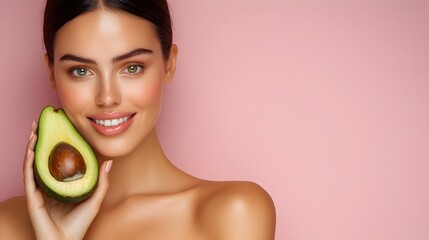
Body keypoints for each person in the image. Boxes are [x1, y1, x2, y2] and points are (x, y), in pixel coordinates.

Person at [0, 0, 276, 239]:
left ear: (169, 64)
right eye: (81, 71)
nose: (107, 97)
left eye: (132, 67)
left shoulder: (234, 213)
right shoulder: (9, 225)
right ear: (51, 72)